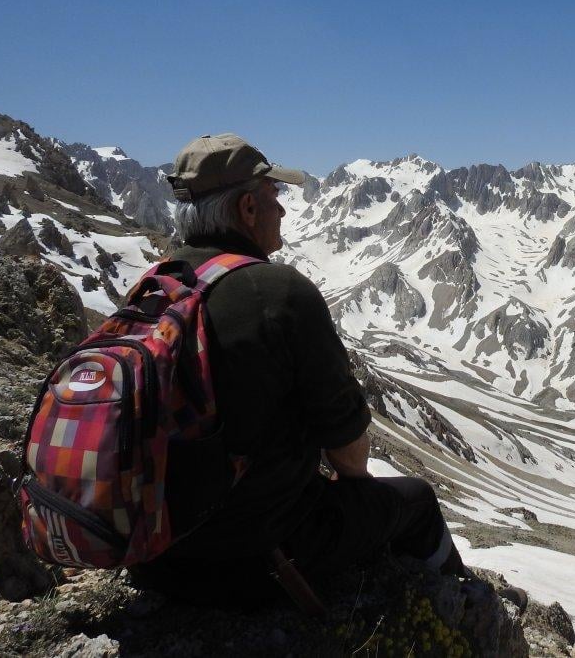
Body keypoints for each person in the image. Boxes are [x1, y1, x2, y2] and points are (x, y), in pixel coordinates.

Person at [129, 133, 465, 606]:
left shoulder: (153, 287)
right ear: (247, 208)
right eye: (273, 197)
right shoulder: (278, 291)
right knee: (417, 500)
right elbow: (348, 453)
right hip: (254, 559)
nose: (283, 210)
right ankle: (463, 607)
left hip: (150, 554)